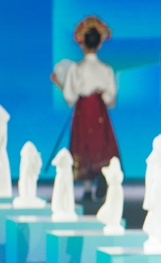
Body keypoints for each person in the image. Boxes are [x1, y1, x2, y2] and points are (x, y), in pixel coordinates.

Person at [51, 15, 120, 198]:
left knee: (83, 144)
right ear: (99, 44)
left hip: (83, 111)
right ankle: (102, 177)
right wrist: (102, 100)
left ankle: (88, 188)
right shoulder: (106, 69)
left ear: (82, 44)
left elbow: (70, 96)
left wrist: (60, 84)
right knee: (101, 143)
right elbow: (111, 95)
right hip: (99, 111)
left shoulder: (76, 68)